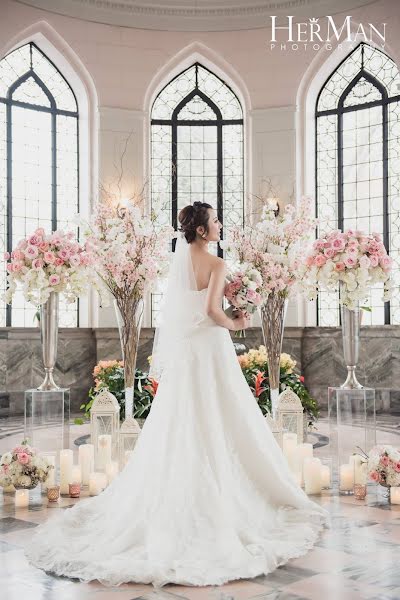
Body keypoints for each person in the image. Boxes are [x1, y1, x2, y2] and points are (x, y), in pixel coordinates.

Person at [25, 201, 328, 588]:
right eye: (215, 221)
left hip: (188, 355)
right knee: (220, 413)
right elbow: (211, 311)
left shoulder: (183, 261)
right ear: (202, 230)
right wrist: (236, 321)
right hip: (211, 350)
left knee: (181, 419)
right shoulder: (216, 264)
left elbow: (186, 310)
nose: (220, 225)